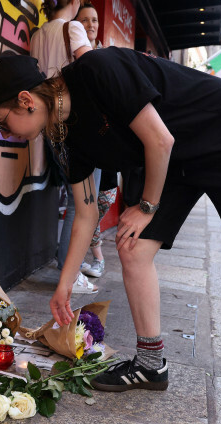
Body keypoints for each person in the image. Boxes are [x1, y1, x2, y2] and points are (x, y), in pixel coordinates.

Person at [0, 51, 221, 424]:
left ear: (26, 101)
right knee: (131, 248)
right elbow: (86, 213)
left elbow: (159, 140)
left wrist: (146, 206)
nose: (4, 133)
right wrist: (64, 287)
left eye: (1, 122)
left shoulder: (98, 71)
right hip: (178, 162)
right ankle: (150, 364)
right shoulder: (60, 134)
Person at [30, 0, 97, 293]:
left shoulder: (38, 35)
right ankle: (68, 272)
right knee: (83, 202)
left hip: (48, 123)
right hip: (76, 122)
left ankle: (68, 266)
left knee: (74, 198)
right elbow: (95, 73)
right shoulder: (73, 29)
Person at [76, 2, 118, 278]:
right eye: (85, 21)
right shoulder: (76, 57)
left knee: (105, 198)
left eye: (94, 19)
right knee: (85, 206)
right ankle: (92, 259)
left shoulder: (103, 54)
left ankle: (93, 256)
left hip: (107, 139)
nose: (91, 24)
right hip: (83, 140)